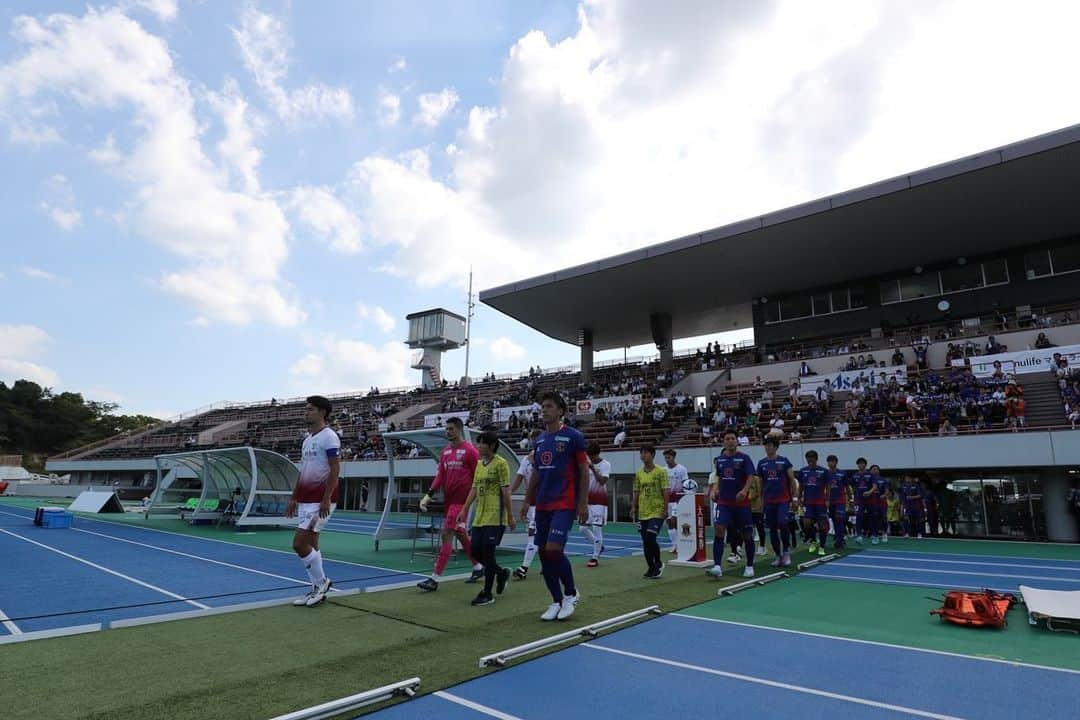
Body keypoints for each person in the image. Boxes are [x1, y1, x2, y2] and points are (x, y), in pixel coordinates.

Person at [520, 392, 588, 621]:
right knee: (542, 552)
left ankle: (571, 593)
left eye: (549, 406)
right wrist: (527, 501)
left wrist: (583, 503)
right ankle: (556, 600)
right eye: (542, 407)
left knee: (553, 549)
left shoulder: (574, 436)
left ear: (560, 411)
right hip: (543, 505)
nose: (544, 410)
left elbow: (583, 471)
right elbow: (537, 474)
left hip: (565, 502)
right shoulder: (538, 441)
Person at [416, 417, 484, 591]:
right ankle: (478, 567)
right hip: (450, 501)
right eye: (446, 429)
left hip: (462, 503)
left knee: (446, 534)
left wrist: (475, 499)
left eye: (451, 429)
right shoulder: (445, 452)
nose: (448, 432)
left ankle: (434, 578)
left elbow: (479, 476)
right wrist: (428, 495)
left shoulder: (470, 451)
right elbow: (441, 476)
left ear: (459, 430)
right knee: (461, 535)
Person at [285, 396, 341, 607]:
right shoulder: (308, 439)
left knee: (299, 544)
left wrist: (326, 498)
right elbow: (304, 470)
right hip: (306, 498)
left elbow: (335, 468)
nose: (305, 412)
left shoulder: (330, 437)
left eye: (310, 409)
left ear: (322, 413)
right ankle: (317, 588)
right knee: (312, 545)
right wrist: (294, 497)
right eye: (305, 409)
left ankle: (322, 583)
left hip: (321, 500)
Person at [456, 431, 515, 606]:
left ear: (491, 445)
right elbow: (474, 488)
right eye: (478, 443)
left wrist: (510, 515)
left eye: (482, 443)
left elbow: (506, 490)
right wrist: (465, 509)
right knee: (474, 551)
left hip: (495, 515)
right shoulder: (479, 465)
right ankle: (501, 573)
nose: (478, 446)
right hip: (480, 516)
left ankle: (487, 593)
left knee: (488, 553)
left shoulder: (501, 464)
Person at [706, 430, 758, 579]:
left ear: (737, 441)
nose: (730, 441)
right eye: (727, 438)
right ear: (723, 442)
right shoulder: (720, 460)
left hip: (741, 504)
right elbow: (719, 478)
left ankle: (749, 566)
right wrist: (714, 490)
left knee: (747, 534)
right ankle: (717, 566)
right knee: (719, 530)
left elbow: (750, 476)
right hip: (724, 503)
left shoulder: (744, 458)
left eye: (733, 438)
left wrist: (744, 491)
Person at [756, 436, 795, 567]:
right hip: (768, 501)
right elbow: (761, 483)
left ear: (776, 447)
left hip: (783, 500)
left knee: (782, 522)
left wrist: (794, 498)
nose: (768, 448)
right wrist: (761, 501)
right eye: (766, 445)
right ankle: (778, 555)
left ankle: (786, 551)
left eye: (770, 445)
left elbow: (792, 480)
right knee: (772, 528)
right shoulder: (761, 463)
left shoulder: (784, 461)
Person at [632, 444, 668, 579]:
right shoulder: (639, 473)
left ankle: (658, 562)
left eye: (646, 453)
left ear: (652, 455)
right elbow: (636, 491)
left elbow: (665, 490)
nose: (643, 455)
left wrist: (665, 507)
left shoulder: (660, 471)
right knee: (645, 541)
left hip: (657, 510)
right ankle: (650, 567)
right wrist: (633, 507)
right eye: (641, 453)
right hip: (643, 511)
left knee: (650, 537)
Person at [510, 429, 541, 580]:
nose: (535, 441)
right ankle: (546, 565)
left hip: (545, 503)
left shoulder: (548, 458)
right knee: (537, 535)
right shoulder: (526, 460)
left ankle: (524, 568)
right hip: (531, 504)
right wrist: (508, 491)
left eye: (537, 439)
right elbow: (519, 478)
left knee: (534, 535)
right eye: (533, 439)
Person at [581, 441, 611, 567]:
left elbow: (603, 481)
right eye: (589, 456)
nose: (590, 458)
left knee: (597, 528)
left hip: (600, 500)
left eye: (592, 456)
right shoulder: (586, 465)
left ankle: (595, 557)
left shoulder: (606, 464)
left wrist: (592, 468)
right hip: (588, 500)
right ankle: (599, 546)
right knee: (582, 528)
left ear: (597, 454)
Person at [797, 450, 830, 557]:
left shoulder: (824, 471)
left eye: (812, 460)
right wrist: (799, 497)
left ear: (816, 459)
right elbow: (801, 485)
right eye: (808, 460)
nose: (810, 462)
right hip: (808, 502)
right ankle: (813, 541)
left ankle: (822, 546)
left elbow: (828, 486)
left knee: (822, 526)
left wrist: (827, 499)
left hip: (820, 502)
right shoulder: (803, 471)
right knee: (806, 523)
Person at [662, 449, 690, 554]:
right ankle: (675, 544)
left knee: (674, 520)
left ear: (673, 457)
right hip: (667, 499)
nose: (667, 459)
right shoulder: (663, 470)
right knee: (669, 522)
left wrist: (687, 497)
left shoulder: (682, 469)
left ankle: (681, 543)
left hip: (678, 499)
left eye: (669, 457)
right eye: (665, 457)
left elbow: (686, 483)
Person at [825, 454, 851, 551]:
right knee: (834, 521)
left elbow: (847, 487)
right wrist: (826, 500)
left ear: (836, 462)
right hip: (830, 501)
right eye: (829, 461)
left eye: (832, 461)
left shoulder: (842, 473)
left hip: (840, 501)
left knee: (839, 519)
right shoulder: (826, 473)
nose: (830, 463)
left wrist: (851, 499)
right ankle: (839, 538)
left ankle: (839, 541)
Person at [851, 457, 874, 544]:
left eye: (862, 463)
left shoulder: (870, 475)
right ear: (857, 465)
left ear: (865, 465)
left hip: (869, 499)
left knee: (872, 516)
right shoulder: (855, 475)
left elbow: (874, 486)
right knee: (858, 516)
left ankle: (873, 534)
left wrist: (869, 492)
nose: (861, 465)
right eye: (859, 464)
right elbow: (851, 486)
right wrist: (852, 498)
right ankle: (859, 535)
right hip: (858, 500)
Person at [867, 464, 891, 545]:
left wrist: (884, 495)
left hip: (882, 502)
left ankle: (884, 533)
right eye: (873, 469)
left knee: (883, 518)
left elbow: (887, 491)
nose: (875, 470)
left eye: (876, 469)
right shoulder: (868, 479)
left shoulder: (883, 480)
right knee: (874, 519)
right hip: (872, 503)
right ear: (870, 471)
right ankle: (875, 535)